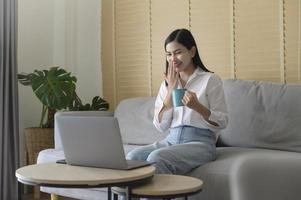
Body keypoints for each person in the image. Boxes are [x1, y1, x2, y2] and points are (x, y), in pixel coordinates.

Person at [127, 28, 228, 175]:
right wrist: (170, 92)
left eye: (178, 52)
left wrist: (198, 107)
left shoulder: (210, 80)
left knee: (157, 157)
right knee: (132, 158)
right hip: (171, 140)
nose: (172, 59)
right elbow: (160, 126)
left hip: (200, 143)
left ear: (192, 52)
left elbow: (223, 121)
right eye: (169, 54)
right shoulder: (167, 84)